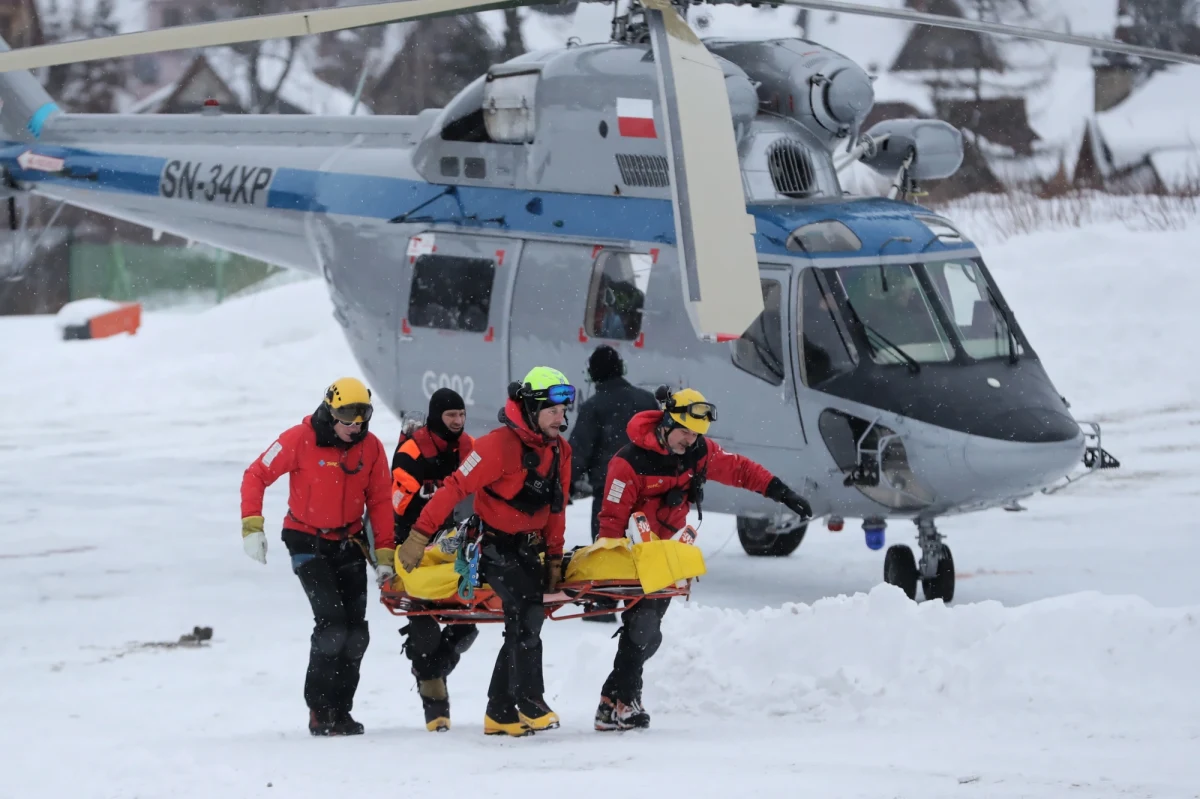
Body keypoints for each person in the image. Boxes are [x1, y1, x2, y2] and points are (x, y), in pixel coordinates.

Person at [592, 387, 813, 731]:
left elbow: (739, 469)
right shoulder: (629, 462)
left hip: (670, 557)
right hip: (634, 556)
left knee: (649, 636)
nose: (689, 439)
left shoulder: (698, 453)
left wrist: (780, 491)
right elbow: (610, 518)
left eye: (696, 434)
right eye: (684, 431)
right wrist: (605, 569)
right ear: (666, 423)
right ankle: (626, 703)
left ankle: (610, 703)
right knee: (643, 629)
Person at [402, 367, 574, 737]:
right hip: (491, 545)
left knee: (524, 623)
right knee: (527, 612)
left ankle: (499, 712)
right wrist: (419, 536)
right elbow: (453, 488)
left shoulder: (561, 450)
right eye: (554, 411)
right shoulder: (496, 446)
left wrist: (555, 557)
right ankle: (529, 699)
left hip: (528, 548)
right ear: (531, 408)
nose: (562, 419)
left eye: (564, 411)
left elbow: (556, 508)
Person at [240, 377, 396, 737]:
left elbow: (381, 502)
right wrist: (252, 526)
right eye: (347, 418)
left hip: (350, 542)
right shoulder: (299, 439)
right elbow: (256, 475)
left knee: (356, 634)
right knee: (332, 628)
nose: (355, 426)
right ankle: (319, 708)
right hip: (306, 542)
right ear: (330, 410)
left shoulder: (371, 448)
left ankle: (341, 710)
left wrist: (384, 552)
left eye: (362, 418)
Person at [391, 388, 479, 732]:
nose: (457, 422)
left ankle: (430, 670)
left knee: (466, 627)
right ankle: (436, 709)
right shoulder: (412, 451)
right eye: (450, 416)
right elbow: (399, 503)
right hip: (411, 546)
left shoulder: (468, 447)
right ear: (435, 416)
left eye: (461, 415)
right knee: (424, 633)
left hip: (452, 544)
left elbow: (483, 480)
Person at [569, 345, 658, 622]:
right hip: (649, 491)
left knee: (607, 546)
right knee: (644, 547)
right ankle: (643, 604)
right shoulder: (647, 401)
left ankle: (604, 605)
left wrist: (564, 484)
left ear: (593, 373)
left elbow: (578, 451)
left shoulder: (594, 406)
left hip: (610, 491)